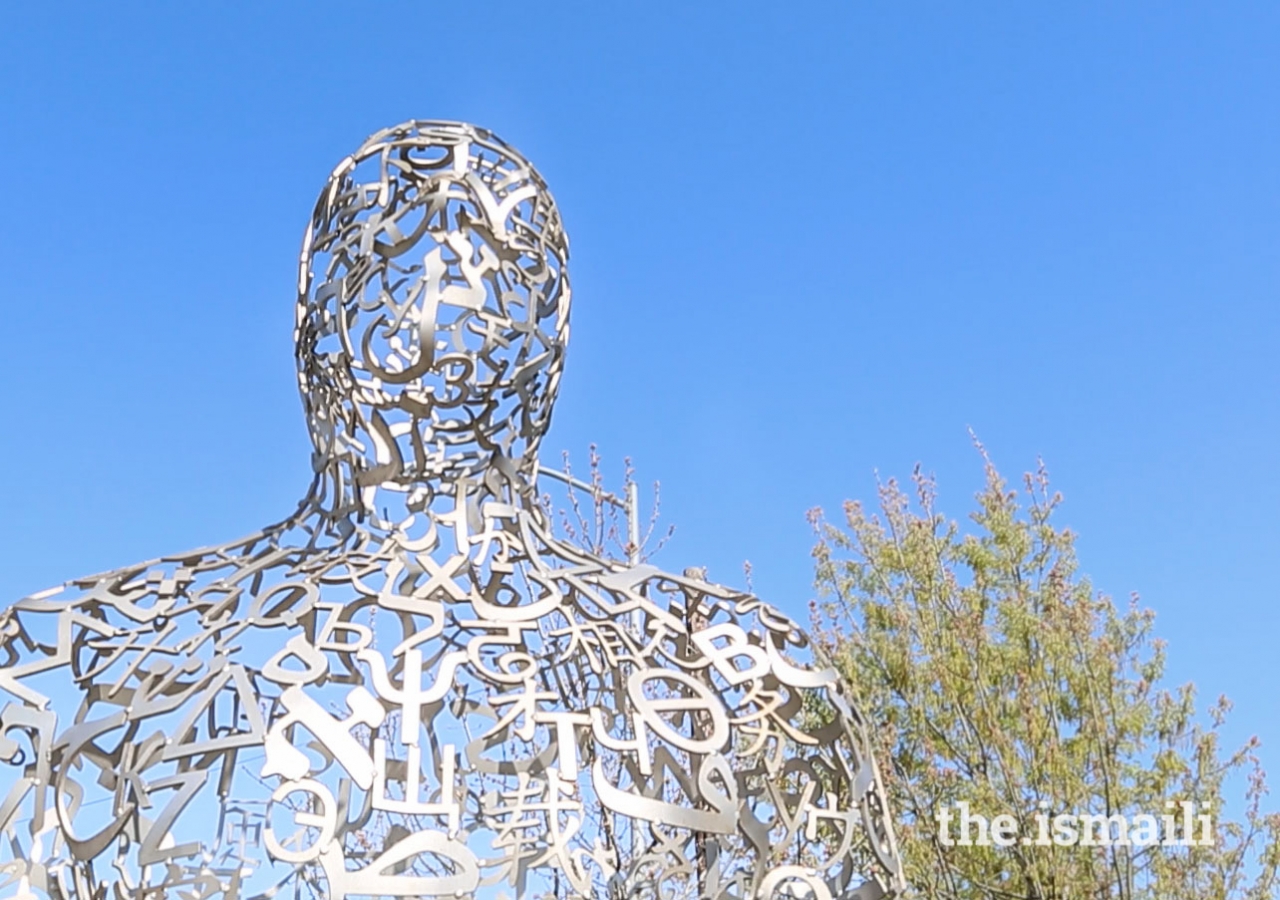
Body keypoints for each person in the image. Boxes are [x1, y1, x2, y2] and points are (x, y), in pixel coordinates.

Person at [0, 121, 904, 900]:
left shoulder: (86, 665)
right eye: (388, 251)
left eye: (492, 256)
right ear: (556, 354)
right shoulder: (740, 673)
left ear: (305, 330)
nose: (446, 266)